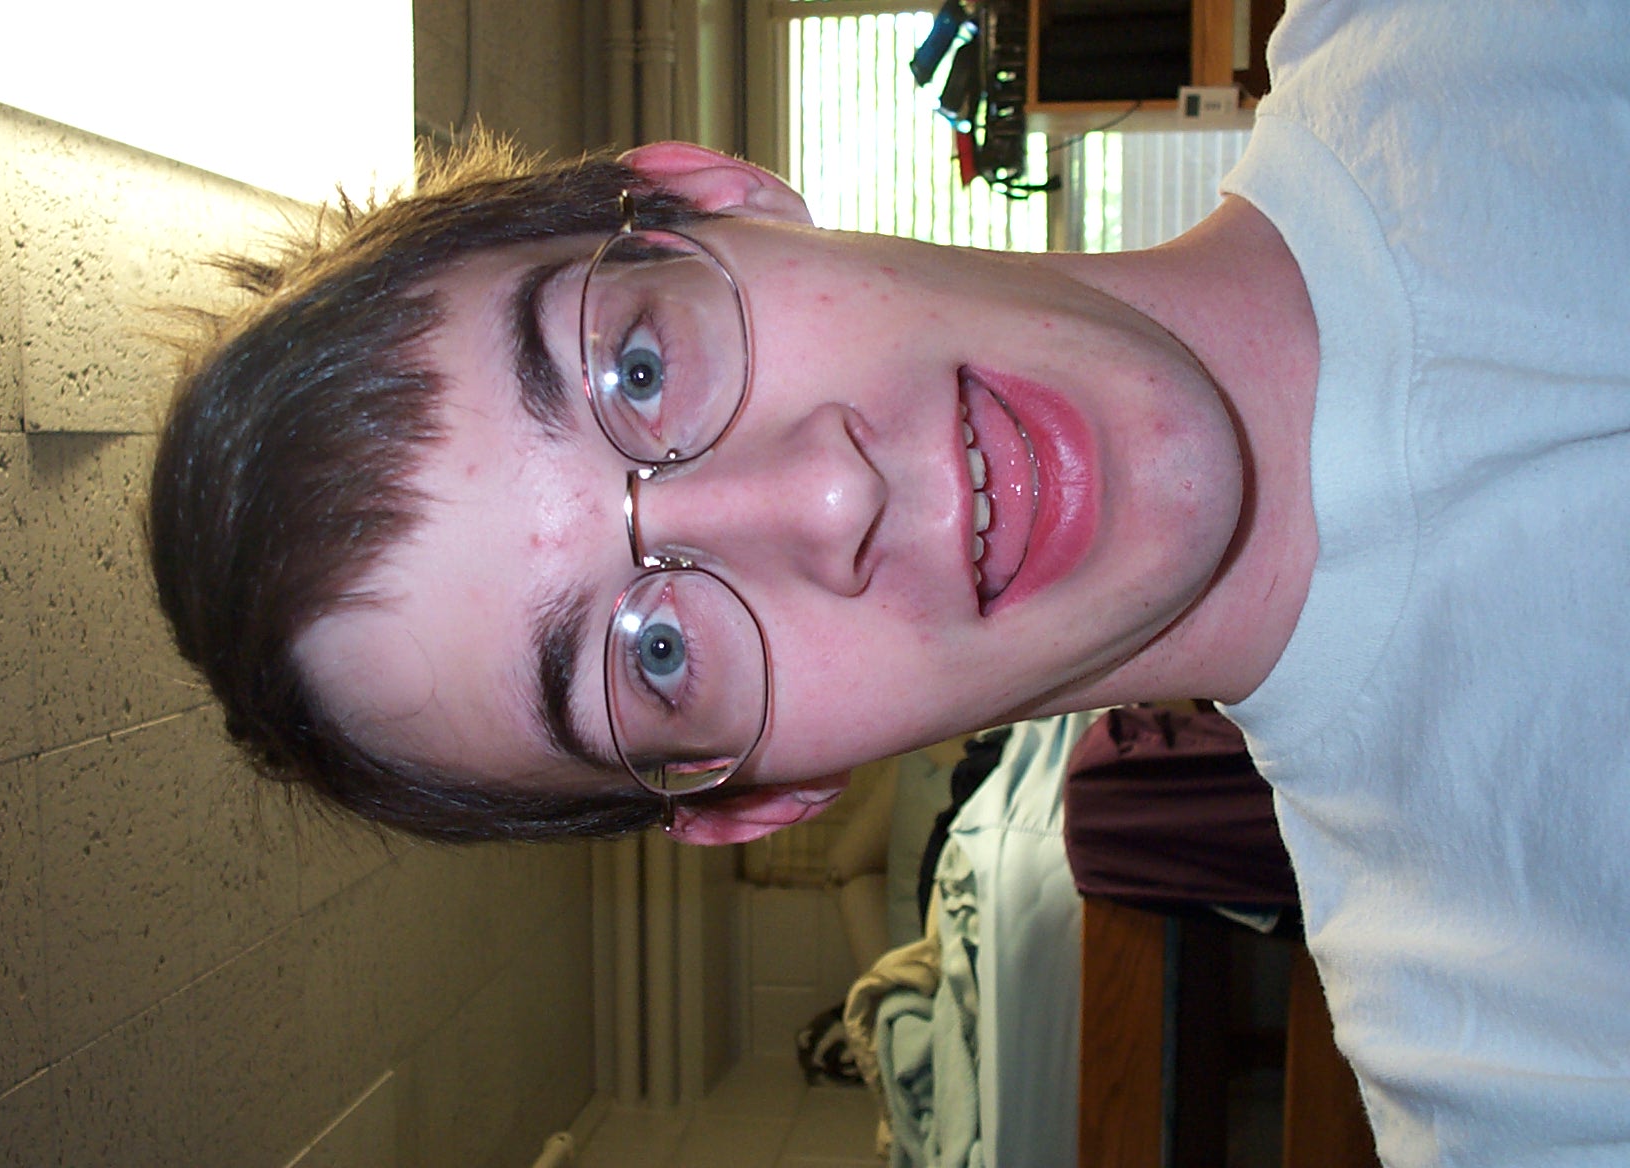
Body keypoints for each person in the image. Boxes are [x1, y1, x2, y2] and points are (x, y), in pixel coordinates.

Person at [150, 0, 1630, 1161]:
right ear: (760, 798)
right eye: (655, 653)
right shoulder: (1540, 1080)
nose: (830, 497)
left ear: (706, 192)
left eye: (639, 369)